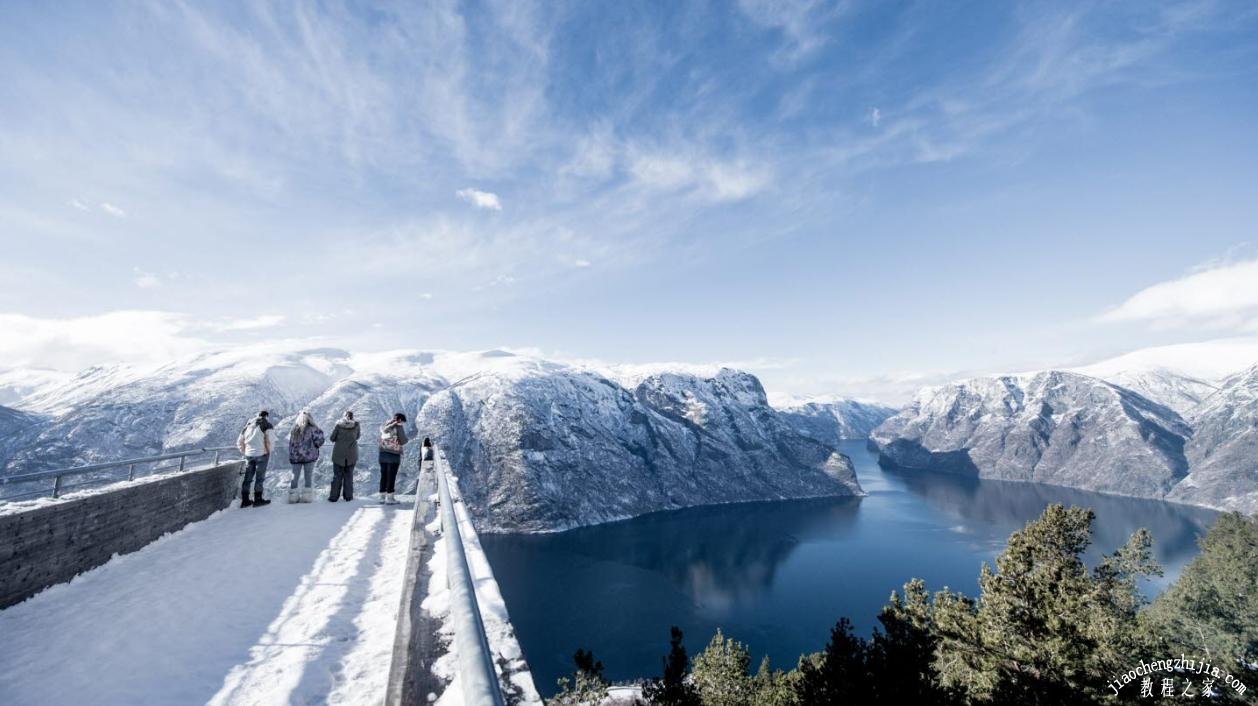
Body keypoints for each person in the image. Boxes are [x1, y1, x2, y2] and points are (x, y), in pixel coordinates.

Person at [237, 410, 274, 508]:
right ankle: (258, 499)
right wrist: (268, 451)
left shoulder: (247, 426)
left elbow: (239, 442)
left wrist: (245, 452)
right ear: (266, 416)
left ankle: (245, 501)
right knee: (259, 477)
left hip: (249, 455)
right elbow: (270, 441)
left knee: (248, 478)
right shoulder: (267, 425)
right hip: (261, 454)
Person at [287, 411, 325, 503]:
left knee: (294, 477)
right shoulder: (314, 429)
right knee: (308, 476)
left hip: (296, 457)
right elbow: (320, 441)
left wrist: (291, 455)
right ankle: (307, 497)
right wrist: (314, 446)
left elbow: (291, 444)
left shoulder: (294, 429)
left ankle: (293, 497)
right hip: (309, 457)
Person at [328, 410, 360, 502]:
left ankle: (333, 497)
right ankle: (348, 497)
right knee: (349, 476)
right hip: (351, 455)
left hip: (338, 454)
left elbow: (332, 438)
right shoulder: (356, 425)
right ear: (353, 417)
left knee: (337, 476)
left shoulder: (338, 425)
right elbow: (357, 437)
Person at [378, 412, 409, 504]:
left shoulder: (385, 425)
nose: (402, 423)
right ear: (399, 420)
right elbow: (403, 441)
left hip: (382, 453)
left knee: (383, 475)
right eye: (402, 421)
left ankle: (382, 497)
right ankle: (390, 498)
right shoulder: (398, 427)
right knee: (391, 476)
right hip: (393, 455)